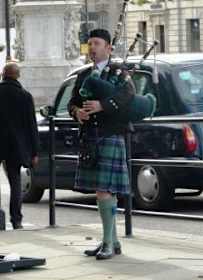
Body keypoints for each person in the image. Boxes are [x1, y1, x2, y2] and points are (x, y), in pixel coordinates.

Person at [67, 29, 135, 260]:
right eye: (89, 44)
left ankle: (108, 242)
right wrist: (77, 112)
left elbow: (128, 96)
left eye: (96, 43)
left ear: (108, 48)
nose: (92, 48)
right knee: (102, 192)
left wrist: (102, 106)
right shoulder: (84, 74)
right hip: (90, 136)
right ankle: (112, 241)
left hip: (110, 134)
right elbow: (71, 103)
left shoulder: (118, 72)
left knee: (104, 191)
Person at [0, 62, 39, 229]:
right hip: (16, 146)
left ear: (3, 74)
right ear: (18, 76)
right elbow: (32, 126)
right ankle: (16, 219)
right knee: (15, 182)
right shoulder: (25, 96)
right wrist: (34, 152)